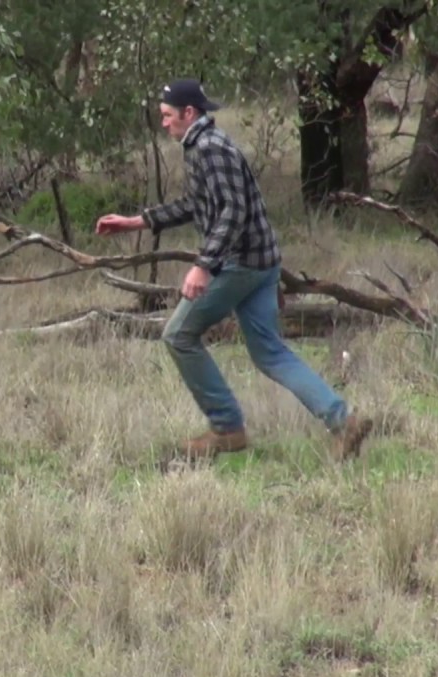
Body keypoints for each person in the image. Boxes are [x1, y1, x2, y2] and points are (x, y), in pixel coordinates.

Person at [95, 78, 373, 464]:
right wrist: (137, 221)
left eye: (167, 116)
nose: (163, 123)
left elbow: (233, 212)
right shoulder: (203, 145)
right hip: (261, 262)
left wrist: (203, 267)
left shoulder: (209, 149)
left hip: (241, 265)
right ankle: (343, 421)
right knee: (271, 353)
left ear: (189, 113)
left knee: (177, 335)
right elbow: (199, 203)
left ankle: (226, 428)